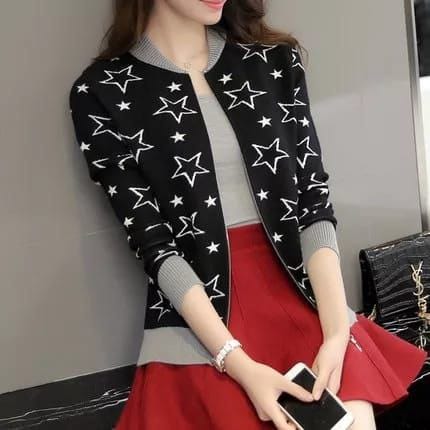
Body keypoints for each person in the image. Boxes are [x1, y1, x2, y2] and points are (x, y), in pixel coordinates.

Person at [68, 1, 428, 429]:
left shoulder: (274, 61)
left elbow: (313, 205)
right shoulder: (100, 93)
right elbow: (156, 249)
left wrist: (336, 333)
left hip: (305, 297)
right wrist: (236, 362)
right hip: (201, 324)